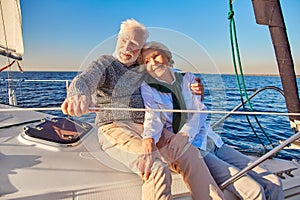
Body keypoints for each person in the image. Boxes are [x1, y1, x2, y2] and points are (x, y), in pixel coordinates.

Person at [61, 19, 212, 200]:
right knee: (155, 167)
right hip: (116, 127)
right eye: (124, 41)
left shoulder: (142, 68)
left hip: (151, 128)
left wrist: (195, 86)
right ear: (117, 39)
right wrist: (78, 94)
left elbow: (174, 76)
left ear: (140, 49)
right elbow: (84, 80)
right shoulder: (105, 63)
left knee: (190, 154)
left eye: (135, 45)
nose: (128, 47)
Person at [139, 41, 284, 200]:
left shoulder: (187, 79)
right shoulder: (148, 87)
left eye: (155, 56)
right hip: (196, 150)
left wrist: (185, 133)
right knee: (253, 191)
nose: (152, 63)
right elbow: (152, 115)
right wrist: (149, 139)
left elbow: (199, 111)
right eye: (146, 61)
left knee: (274, 182)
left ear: (167, 56)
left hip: (212, 141)